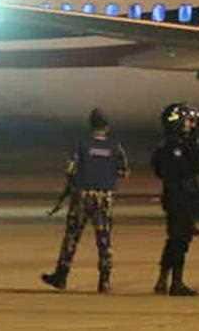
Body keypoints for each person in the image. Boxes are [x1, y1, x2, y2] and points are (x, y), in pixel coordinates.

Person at [41, 108, 129, 293]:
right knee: (104, 239)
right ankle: (104, 281)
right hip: (104, 196)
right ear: (107, 126)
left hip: (82, 194)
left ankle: (61, 276)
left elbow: (71, 169)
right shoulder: (115, 146)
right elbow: (124, 171)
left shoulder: (81, 144)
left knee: (72, 237)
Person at [152, 103, 199, 296]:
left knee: (175, 240)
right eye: (188, 122)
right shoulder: (174, 146)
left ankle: (163, 280)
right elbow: (171, 170)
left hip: (180, 197)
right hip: (178, 197)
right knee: (179, 240)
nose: (191, 125)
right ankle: (176, 282)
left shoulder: (181, 143)